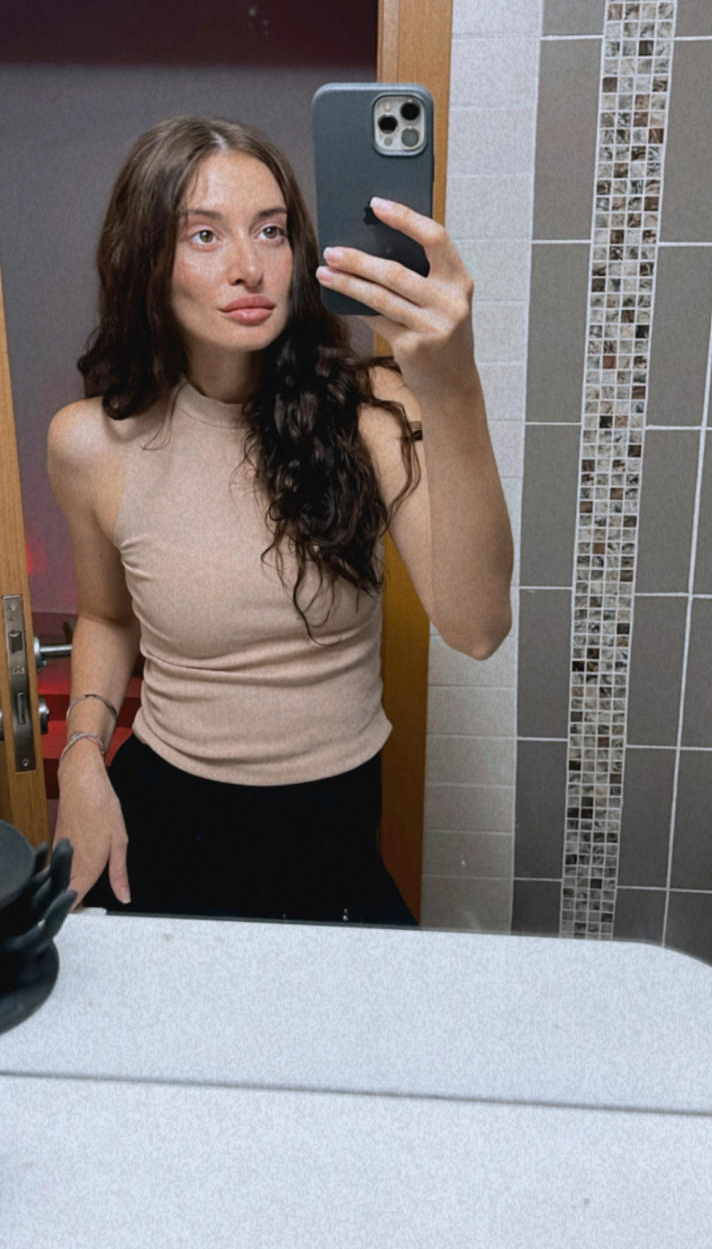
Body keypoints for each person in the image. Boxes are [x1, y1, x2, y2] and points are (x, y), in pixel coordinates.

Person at [48, 115, 513, 926]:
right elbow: (107, 616)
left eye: (272, 231)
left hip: (331, 839)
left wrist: (453, 384)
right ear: (146, 261)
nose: (249, 266)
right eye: (204, 235)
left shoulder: (372, 412)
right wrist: (82, 757)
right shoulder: (89, 444)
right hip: (166, 822)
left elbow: (477, 628)